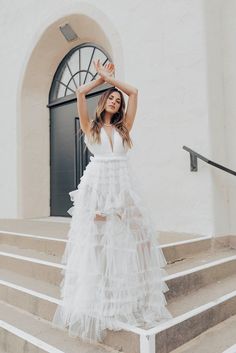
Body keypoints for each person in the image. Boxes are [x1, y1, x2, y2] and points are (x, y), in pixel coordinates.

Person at [52, 59, 172, 343]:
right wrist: (100, 81)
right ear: (104, 101)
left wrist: (114, 81)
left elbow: (135, 94)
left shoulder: (124, 129)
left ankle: (138, 294)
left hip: (123, 184)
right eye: (112, 99)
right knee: (99, 242)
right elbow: (80, 94)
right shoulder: (90, 127)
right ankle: (102, 298)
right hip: (98, 186)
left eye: (118, 100)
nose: (116, 102)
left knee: (140, 234)